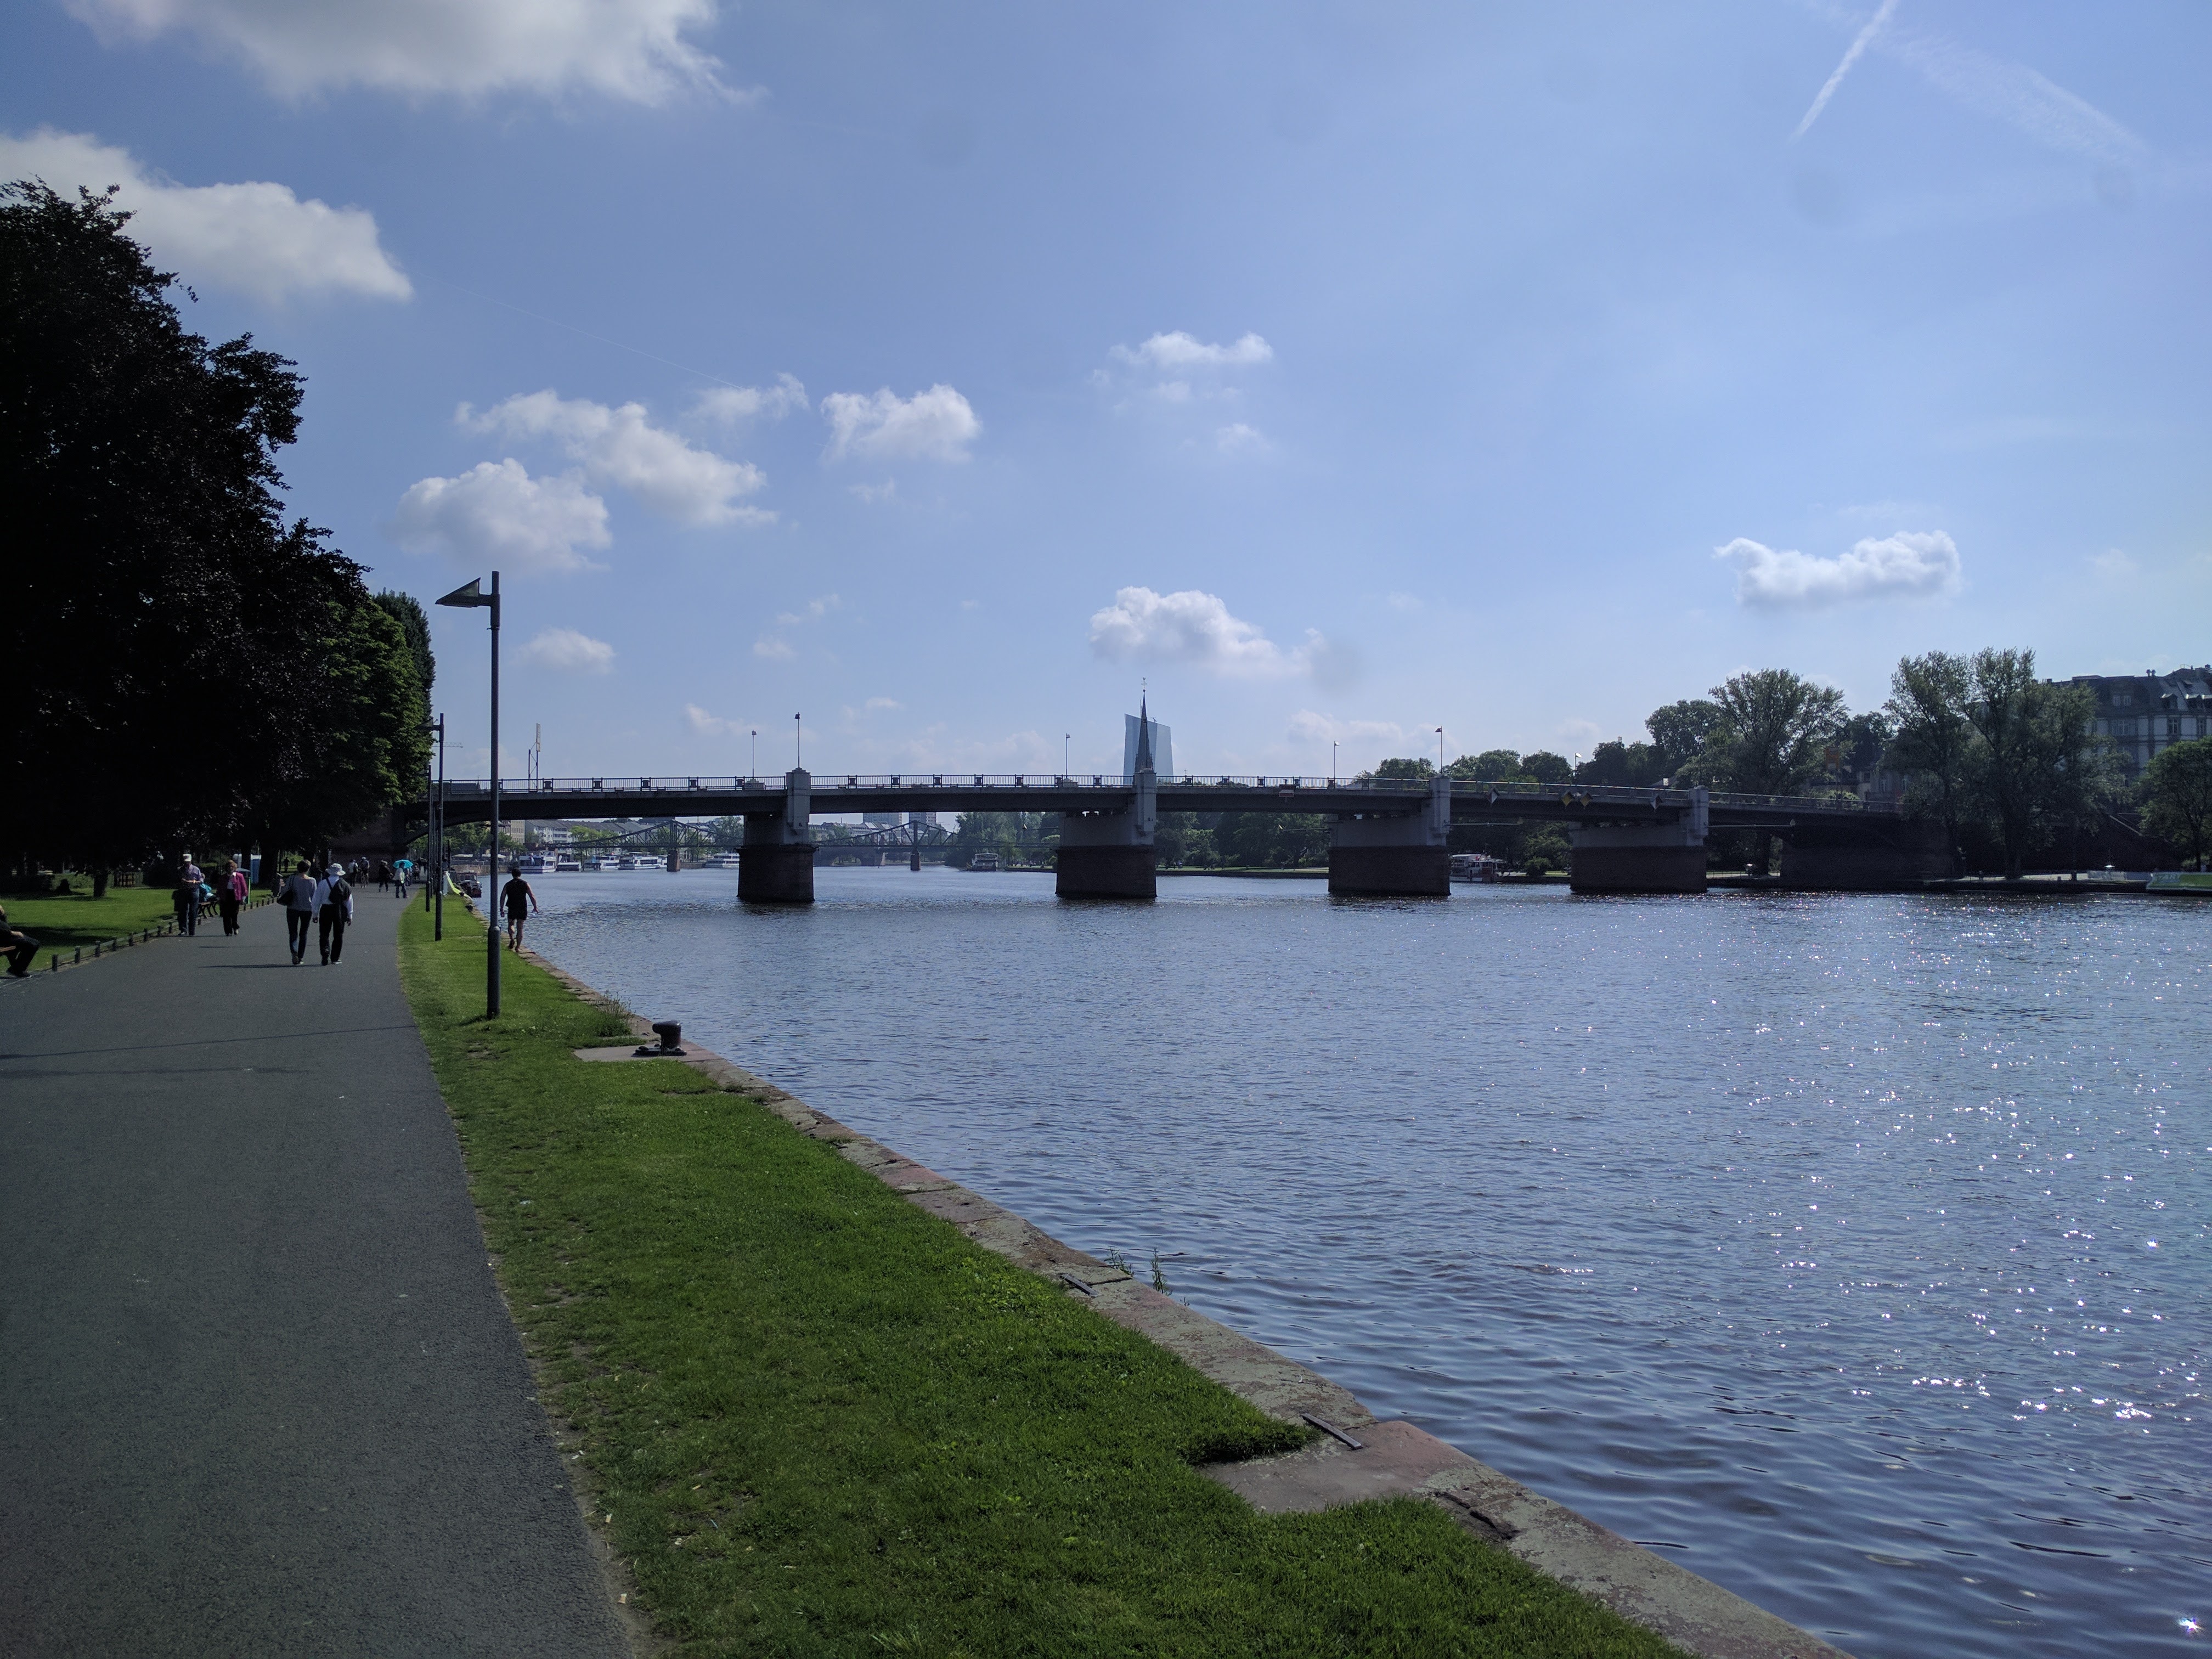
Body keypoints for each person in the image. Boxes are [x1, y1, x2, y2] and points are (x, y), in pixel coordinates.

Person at [313, 862, 353, 966]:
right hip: (339, 910)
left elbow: (316, 900)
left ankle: (325, 951)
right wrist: (350, 915)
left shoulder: (323, 883)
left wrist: (315, 914)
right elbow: (349, 901)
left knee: (324, 933)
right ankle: (335, 958)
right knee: (338, 934)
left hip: (325, 909)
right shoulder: (345, 885)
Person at [279, 860, 317, 963]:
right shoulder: (312, 881)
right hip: (307, 909)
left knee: (293, 932)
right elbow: (314, 898)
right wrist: (316, 912)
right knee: (304, 933)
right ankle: (301, 957)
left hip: (292, 908)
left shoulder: (292, 879)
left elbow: (284, 891)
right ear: (308, 869)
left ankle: (294, 952)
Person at [500, 862, 538, 952]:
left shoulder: (508, 885)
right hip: (522, 907)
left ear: (512, 875)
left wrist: (501, 908)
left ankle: (512, 937)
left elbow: (503, 897)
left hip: (512, 906)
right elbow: (532, 896)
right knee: (520, 928)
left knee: (511, 924)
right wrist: (535, 907)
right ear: (520, 875)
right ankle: (518, 947)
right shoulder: (525, 884)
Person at [0, 902, 40, 978]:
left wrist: (2, 914)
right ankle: (17, 969)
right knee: (30, 945)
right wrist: (12, 933)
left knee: (35, 943)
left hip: (7, 937)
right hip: (3, 940)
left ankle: (17, 968)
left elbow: (4, 925)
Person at [179, 853, 204, 935]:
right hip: (184, 891)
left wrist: (193, 882)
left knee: (193, 911)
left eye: (188, 862)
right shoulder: (181, 870)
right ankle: (183, 930)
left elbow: (201, 881)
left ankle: (192, 930)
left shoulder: (196, 869)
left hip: (194, 891)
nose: (187, 864)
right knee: (183, 911)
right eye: (186, 862)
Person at [219, 862, 247, 935]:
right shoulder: (223, 877)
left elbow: (244, 887)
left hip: (236, 896)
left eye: (232, 867)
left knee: (234, 913)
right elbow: (220, 887)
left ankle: (235, 927)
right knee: (226, 914)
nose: (230, 868)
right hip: (226, 896)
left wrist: (244, 897)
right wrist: (219, 896)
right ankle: (228, 931)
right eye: (229, 867)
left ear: (235, 868)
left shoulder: (239, 876)